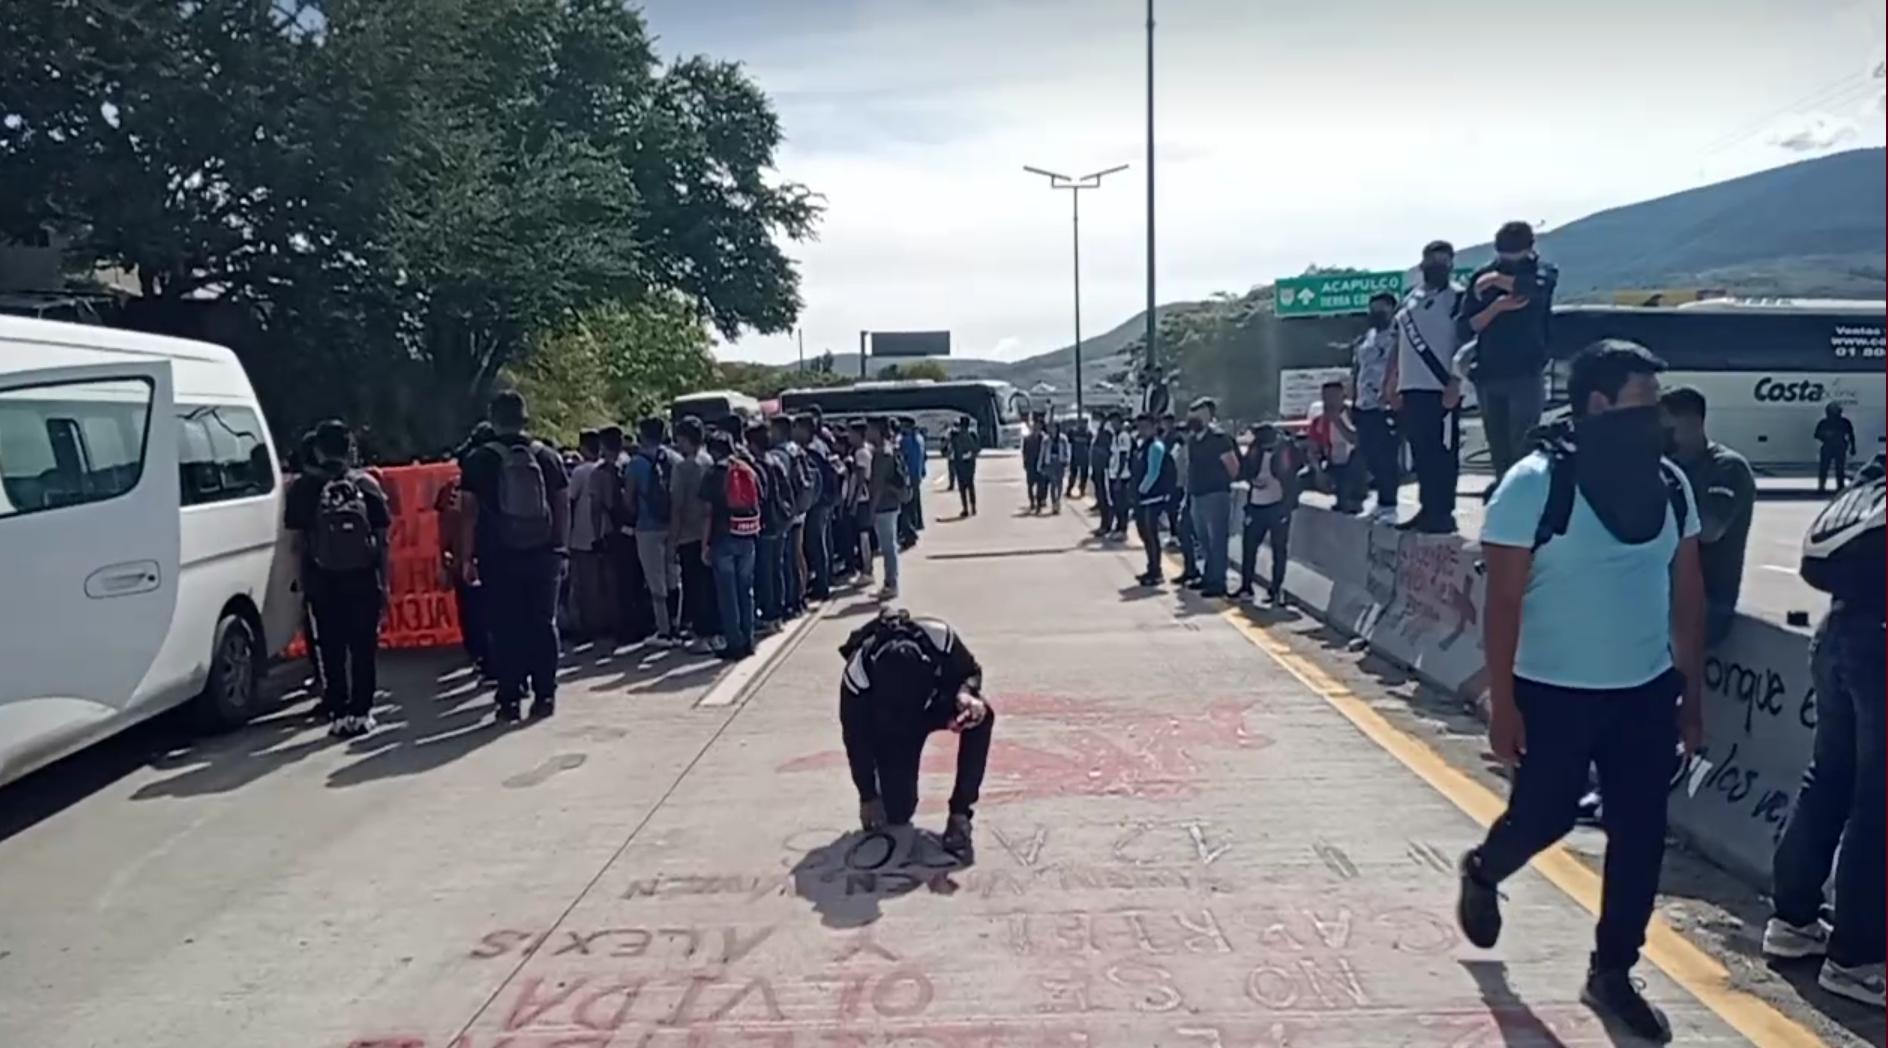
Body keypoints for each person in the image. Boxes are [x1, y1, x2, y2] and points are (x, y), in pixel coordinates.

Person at [1456, 341, 1704, 1042]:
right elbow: (1501, 603)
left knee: (1641, 835)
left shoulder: (1671, 486)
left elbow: (1687, 592)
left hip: (1645, 694)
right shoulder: (1534, 485)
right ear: (1597, 404)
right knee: (1546, 817)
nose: (1657, 419)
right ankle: (1484, 869)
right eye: (1642, 403)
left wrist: (1692, 695)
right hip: (1552, 693)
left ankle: (1613, 970)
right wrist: (1502, 704)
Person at [1764, 456, 1885, 1007]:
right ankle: (1856, 958)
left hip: (1840, 628)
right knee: (1877, 803)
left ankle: (1792, 922)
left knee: (1828, 778)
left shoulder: (1876, 470)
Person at [839, 609, 992, 858]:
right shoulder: (858, 676)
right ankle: (886, 778)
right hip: (890, 726)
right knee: (898, 812)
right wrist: (866, 795)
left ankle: (961, 812)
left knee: (981, 715)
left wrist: (965, 694)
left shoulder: (939, 639)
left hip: (932, 704)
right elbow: (855, 740)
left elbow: (971, 671)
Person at [458, 391, 571, 722]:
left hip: (498, 554)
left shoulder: (479, 460)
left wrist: (467, 557)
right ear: (525, 419)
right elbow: (562, 504)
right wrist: (560, 548)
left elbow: (468, 512)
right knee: (543, 622)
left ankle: (509, 698)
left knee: (504, 626)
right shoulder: (547, 457)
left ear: (493, 420)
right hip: (544, 554)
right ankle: (545, 694)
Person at [285, 419, 392, 737]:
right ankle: (363, 711)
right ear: (350, 449)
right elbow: (383, 538)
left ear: (317, 450)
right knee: (363, 646)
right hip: (363, 578)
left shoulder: (304, 488)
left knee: (331, 645)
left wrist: (302, 582)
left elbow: (296, 544)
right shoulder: (367, 485)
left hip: (323, 579)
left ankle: (339, 711)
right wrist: (384, 582)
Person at [1459, 221, 1559, 486]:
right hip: (1489, 371)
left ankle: (1525, 495)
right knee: (1498, 445)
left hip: (1526, 371)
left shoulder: (1543, 271)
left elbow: (1534, 289)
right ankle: (1504, 492)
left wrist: (1498, 281)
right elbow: (1465, 325)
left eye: (1513, 253)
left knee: (1524, 442)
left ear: (1528, 248)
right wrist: (1497, 308)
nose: (1507, 259)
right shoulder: (1483, 275)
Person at [1660, 387, 1755, 646]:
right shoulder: (1666, 465)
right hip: (1666, 595)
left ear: (1692, 422)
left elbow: (1709, 529)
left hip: (1708, 602)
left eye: (1666, 426)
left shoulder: (1725, 467)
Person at [1389, 240, 1466, 534]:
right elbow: (1401, 343)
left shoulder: (1458, 298)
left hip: (1442, 387)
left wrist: (1456, 382)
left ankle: (1443, 513)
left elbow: (1464, 343)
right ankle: (1427, 508)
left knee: (1442, 453)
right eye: (1432, 260)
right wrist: (1392, 380)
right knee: (1420, 452)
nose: (1437, 266)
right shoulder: (1411, 299)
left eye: (1443, 261)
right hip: (1412, 386)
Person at [436, 422, 495, 680]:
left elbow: (446, 526)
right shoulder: (504, 477)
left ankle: (483, 659)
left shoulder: (453, 487)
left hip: (466, 557)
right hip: (501, 553)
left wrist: (447, 557)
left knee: (472, 611)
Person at [698, 430, 761, 660]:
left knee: (727, 593)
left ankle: (734, 643)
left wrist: (704, 545)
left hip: (723, 537)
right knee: (746, 589)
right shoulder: (747, 470)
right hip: (747, 534)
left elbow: (707, 513)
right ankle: (749, 639)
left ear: (714, 450)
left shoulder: (713, 474)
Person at [625, 418, 682, 647]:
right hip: (674, 524)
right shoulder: (675, 459)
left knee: (655, 579)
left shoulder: (636, 463)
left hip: (647, 527)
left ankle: (663, 630)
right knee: (674, 576)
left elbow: (629, 499)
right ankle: (677, 625)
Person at [1352, 291, 1402, 524]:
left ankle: (1390, 504)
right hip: (1364, 404)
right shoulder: (1366, 337)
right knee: (1370, 455)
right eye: (1373, 308)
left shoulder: (1398, 334)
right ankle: (1379, 501)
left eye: (1381, 308)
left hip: (1386, 404)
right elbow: (1358, 370)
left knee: (1386, 456)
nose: (1376, 313)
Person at [671, 416, 720, 653]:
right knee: (709, 584)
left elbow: (677, 505)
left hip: (689, 533)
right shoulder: (709, 460)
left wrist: (672, 538)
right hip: (710, 532)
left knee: (694, 585)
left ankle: (702, 635)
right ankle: (713, 632)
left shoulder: (683, 467)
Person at [1183, 398, 1240, 597]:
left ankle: (1218, 581)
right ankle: (1208, 575)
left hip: (1216, 495)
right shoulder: (1193, 440)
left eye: (1196, 413)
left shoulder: (1219, 438)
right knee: (1203, 539)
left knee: (1217, 540)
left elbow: (1233, 468)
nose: (1191, 418)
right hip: (1197, 494)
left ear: (1207, 415)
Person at [1236, 423, 1298, 605]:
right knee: (1249, 547)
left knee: (1278, 550)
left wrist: (1287, 507)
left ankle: (1275, 589)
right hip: (1255, 504)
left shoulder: (1284, 450)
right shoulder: (1255, 450)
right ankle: (1246, 586)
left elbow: (1291, 476)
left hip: (1278, 506)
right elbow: (1244, 471)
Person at [565, 429, 612, 640]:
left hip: (582, 535)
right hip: (606, 532)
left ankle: (588, 627)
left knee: (584, 584)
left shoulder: (580, 472)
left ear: (583, 448)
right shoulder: (606, 468)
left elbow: (570, 501)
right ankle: (604, 622)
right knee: (602, 582)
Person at [747, 422, 793, 633]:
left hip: (765, 523)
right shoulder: (776, 461)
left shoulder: (756, 466)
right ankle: (778, 612)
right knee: (777, 568)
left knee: (764, 572)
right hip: (781, 520)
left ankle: (768, 615)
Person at [1128, 412, 1178, 586]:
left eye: (1146, 427)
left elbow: (1153, 472)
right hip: (1142, 499)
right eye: (1140, 427)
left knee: (1151, 534)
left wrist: (1141, 490)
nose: (1142, 430)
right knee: (1145, 534)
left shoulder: (1156, 446)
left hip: (1153, 498)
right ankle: (1151, 568)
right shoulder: (1142, 446)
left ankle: (1156, 571)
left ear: (1154, 427)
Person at [771, 415, 813, 619]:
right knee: (798, 556)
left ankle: (792, 600)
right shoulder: (797, 450)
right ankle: (800, 597)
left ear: (779, 430)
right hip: (801, 509)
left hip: (788, 512)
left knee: (787, 560)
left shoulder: (779, 454)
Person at [796, 414, 838, 600]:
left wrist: (809, 502)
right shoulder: (822, 445)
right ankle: (826, 578)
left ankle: (822, 585)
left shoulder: (811, 450)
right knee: (825, 541)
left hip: (819, 502)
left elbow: (814, 481)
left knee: (816, 543)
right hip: (828, 500)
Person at [865, 416, 907, 601]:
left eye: (869, 429)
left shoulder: (882, 453)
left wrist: (872, 508)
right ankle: (890, 582)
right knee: (889, 545)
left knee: (888, 546)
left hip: (885, 505)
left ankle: (891, 583)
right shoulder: (887, 449)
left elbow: (878, 485)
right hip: (890, 503)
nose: (867, 433)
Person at [1306, 381, 1362, 513]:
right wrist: (1318, 471)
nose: (1329, 402)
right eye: (1326, 398)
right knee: (1299, 479)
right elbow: (1313, 449)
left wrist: (1337, 422)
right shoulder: (1319, 421)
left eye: (1333, 397)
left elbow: (1357, 440)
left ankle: (1350, 499)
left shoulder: (1354, 415)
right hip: (1331, 465)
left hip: (1352, 465)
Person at [1814, 403, 1857, 493]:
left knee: (1839, 468)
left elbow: (1851, 435)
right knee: (1824, 468)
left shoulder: (1844, 422)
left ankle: (1840, 486)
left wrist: (1853, 447)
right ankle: (1822, 486)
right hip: (1828, 447)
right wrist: (1826, 435)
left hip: (1840, 447)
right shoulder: (1824, 423)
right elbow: (1816, 435)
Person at [897, 416, 926, 547]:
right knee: (914, 504)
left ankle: (910, 532)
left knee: (906, 507)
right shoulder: (919, 439)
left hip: (908, 477)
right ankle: (917, 524)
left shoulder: (905, 441)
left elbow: (902, 459)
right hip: (917, 476)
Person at [1089, 413, 1118, 536]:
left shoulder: (1107, 435)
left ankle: (1107, 525)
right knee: (1101, 499)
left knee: (1106, 500)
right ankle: (1104, 524)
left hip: (1105, 471)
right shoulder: (1098, 434)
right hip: (1098, 471)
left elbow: (1107, 454)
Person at [1107, 410, 1134, 539]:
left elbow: (1123, 456)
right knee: (1116, 503)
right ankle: (1118, 527)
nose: (1112, 425)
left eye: (1114, 422)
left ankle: (1123, 529)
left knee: (1122, 504)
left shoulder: (1124, 436)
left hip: (1122, 475)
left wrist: (1118, 476)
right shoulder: (1115, 436)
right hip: (1114, 473)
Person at [948, 416, 980, 517]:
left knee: (963, 487)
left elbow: (950, 448)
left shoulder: (956, 436)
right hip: (969, 464)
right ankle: (973, 507)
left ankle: (966, 508)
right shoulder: (972, 435)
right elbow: (978, 448)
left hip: (961, 464)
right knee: (970, 486)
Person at [1038, 419, 1070, 514]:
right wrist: (1040, 465)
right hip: (1050, 462)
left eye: (1054, 428)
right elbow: (1042, 453)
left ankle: (1058, 500)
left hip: (1060, 462)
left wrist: (1067, 461)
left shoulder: (1063, 439)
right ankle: (1054, 503)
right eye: (1051, 428)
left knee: (1059, 483)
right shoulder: (1046, 440)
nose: (1052, 430)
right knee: (1052, 484)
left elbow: (1067, 451)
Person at [1021, 412, 1047, 514]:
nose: (1036, 427)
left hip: (1041, 464)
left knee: (1041, 485)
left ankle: (1039, 504)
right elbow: (1024, 451)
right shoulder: (1027, 439)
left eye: (1038, 426)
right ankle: (1032, 502)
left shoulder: (1044, 439)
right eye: (1035, 426)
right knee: (1030, 485)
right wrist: (1024, 462)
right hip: (1030, 463)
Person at [1066, 417, 1092, 498]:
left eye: (1085, 423)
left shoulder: (1088, 434)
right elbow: (1069, 441)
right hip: (1075, 457)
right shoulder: (1073, 432)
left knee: (1084, 476)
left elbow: (1090, 445)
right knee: (1073, 475)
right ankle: (1069, 490)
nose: (1083, 425)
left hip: (1084, 458)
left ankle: (1082, 490)